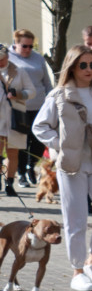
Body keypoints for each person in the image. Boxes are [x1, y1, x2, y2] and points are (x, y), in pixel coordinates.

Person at [32, 45, 92, 291]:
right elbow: (40, 127)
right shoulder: (59, 94)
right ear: (72, 67)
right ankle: (77, 271)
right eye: (83, 65)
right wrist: (62, 145)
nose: (89, 69)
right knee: (75, 220)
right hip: (71, 166)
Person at [8, 29, 52, 189]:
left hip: (40, 106)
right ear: (16, 44)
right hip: (18, 107)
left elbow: (47, 81)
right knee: (21, 142)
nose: (28, 49)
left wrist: (51, 99)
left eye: (30, 46)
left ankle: (30, 165)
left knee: (39, 140)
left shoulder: (38, 58)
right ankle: (21, 174)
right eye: (24, 46)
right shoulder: (8, 58)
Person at [0, 44, 35, 197]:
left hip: (15, 118)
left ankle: (9, 184)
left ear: (7, 56)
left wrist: (19, 94)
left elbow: (32, 91)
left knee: (12, 153)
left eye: (2, 58)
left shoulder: (19, 71)